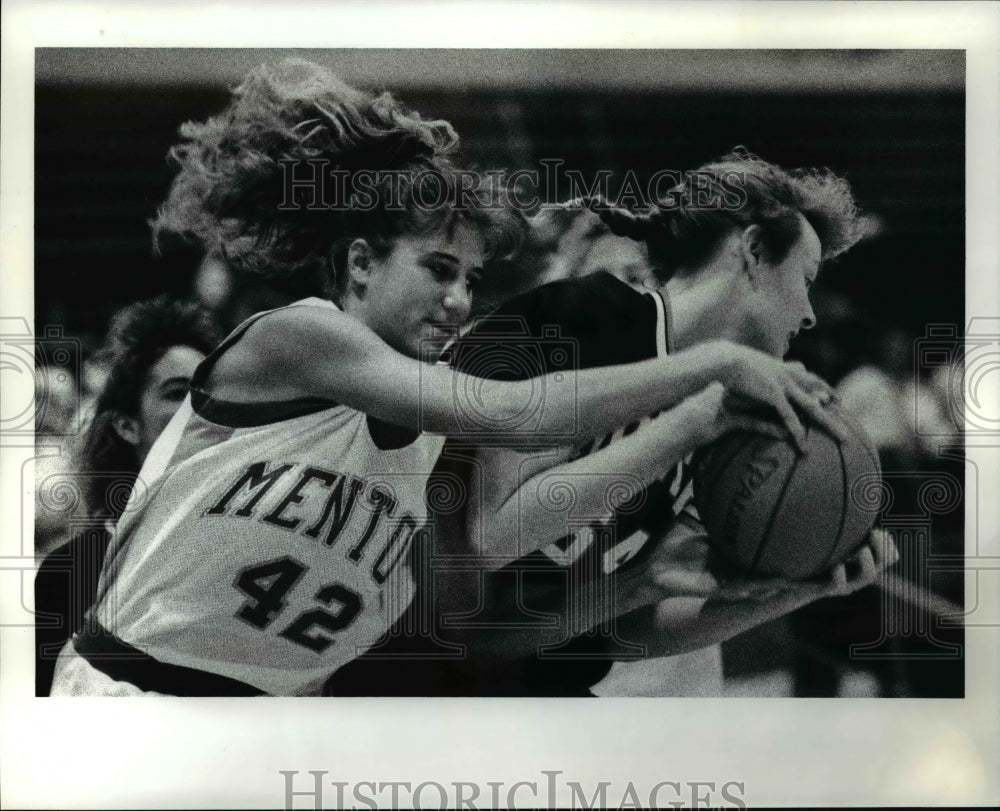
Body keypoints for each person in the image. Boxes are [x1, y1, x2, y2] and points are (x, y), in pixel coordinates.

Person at [50, 64, 832, 698]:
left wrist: (683, 584)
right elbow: (514, 411)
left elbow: (476, 631)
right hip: (128, 691)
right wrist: (712, 379)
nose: (458, 297)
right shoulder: (296, 337)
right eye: (436, 268)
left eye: (469, 277)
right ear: (360, 262)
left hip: (269, 727)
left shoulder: (429, 452)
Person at [326, 149, 898, 697]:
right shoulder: (575, 318)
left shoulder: (729, 421)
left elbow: (623, 631)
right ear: (751, 249)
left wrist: (788, 592)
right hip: (390, 670)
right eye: (806, 276)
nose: (811, 310)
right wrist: (690, 423)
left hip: (523, 681)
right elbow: (490, 536)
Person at [35, 297, 221, 695]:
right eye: (176, 393)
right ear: (127, 425)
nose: (200, 407)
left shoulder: (258, 547)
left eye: (209, 391)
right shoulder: (71, 570)